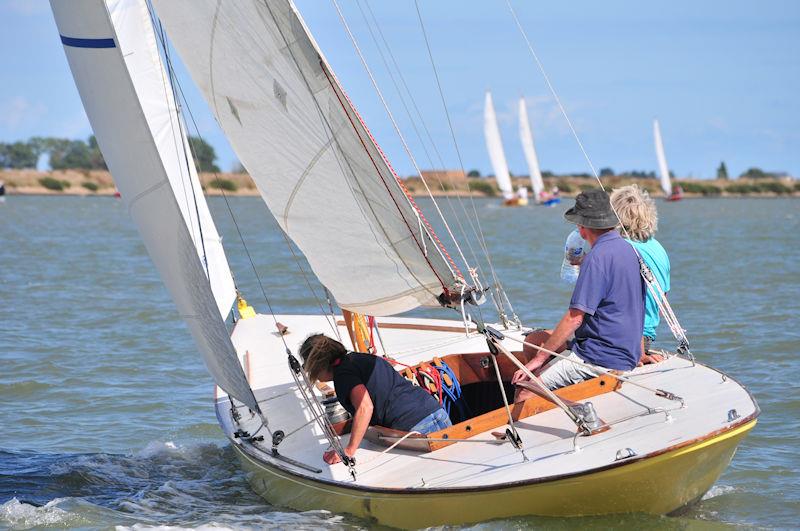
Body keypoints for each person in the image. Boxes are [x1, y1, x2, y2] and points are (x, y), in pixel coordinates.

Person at [513, 189, 645, 394]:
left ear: (582, 228)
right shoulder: (630, 250)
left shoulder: (597, 257)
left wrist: (539, 360)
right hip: (627, 353)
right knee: (534, 341)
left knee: (527, 388)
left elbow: (574, 319)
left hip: (599, 357)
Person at [300, 334, 452, 464]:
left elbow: (365, 407)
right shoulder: (361, 358)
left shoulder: (343, 375)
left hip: (412, 425)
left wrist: (348, 450)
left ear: (317, 365)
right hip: (436, 411)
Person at [610, 184, 670, 364]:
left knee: (537, 341)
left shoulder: (619, 249)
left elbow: (626, 303)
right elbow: (661, 300)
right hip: (646, 338)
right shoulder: (658, 248)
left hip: (624, 341)